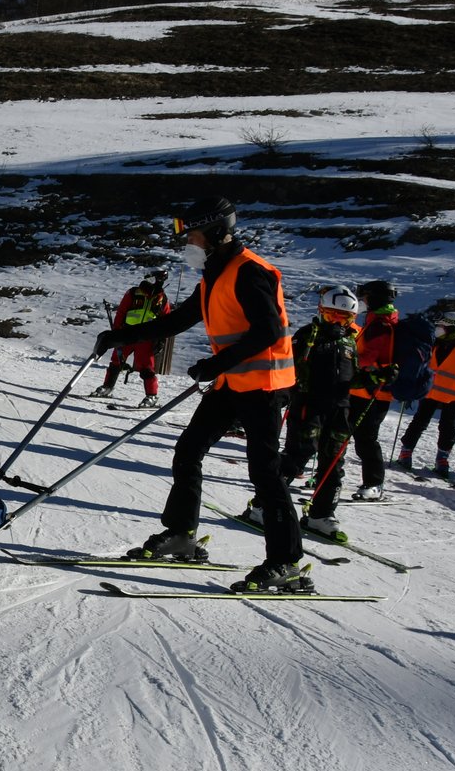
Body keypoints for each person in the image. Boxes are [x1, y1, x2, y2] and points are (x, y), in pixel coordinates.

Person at [95, 195, 306, 593]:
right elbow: (178, 320)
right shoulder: (214, 273)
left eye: (192, 234)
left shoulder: (250, 272)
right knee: (189, 449)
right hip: (232, 382)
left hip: (265, 386)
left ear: (216, 234)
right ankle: (181, 535)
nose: (188, 243)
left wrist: (216, 364)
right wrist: (119, 337)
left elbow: (269, 332)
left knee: (264, 473)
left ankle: (286, 562)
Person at [254, 285, 358, 541]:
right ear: (321, 311)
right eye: (331, 315)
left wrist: (373, 378)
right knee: (296, 456)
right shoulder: (309, 335)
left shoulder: (350, 342)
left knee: (333, 462)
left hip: (340, 409)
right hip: (309, 404)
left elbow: (350, 378)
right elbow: (287, 366)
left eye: (342, 317)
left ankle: (320, 514)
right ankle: (261, 505)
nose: (336, 321)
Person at [397, 311, 455, 478]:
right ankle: (406, 452)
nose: (438, 328)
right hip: (431, 391)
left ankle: (442, 459)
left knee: (448, 428)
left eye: (442, 326)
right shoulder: (435, 342)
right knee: (419, 423)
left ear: (451, 327)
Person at [347, 280, 401, 500]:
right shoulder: (383, 321)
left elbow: (365, 357)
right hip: (368, 390)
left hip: (370, 391)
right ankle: (331, 476)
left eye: (365, 297)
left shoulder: (380, 325)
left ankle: (374, 484)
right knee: (354, 435)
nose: (363, 301)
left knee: (365, 438)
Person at [88, 270, 171, 406]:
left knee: (146, 367)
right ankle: (107, 387)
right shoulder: (133, 293)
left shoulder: (162, 299)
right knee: (116, 360)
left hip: (146, 338)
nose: (155, 281)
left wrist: (161, 340)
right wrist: (116, 332)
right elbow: (121, 311)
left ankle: (152, 396)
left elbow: (166, 322)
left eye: (159, 279)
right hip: (126, 333)